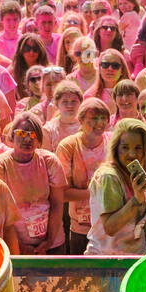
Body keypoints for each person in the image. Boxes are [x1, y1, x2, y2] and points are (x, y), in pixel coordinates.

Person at [86, 117, 146, 254]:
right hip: (107, 261)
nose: (132, 154)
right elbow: (110, 228)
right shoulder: (108, 177)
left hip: (133, 257)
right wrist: (136, 200)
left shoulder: (138, 174)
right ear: (116, 149)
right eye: (125, 148)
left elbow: (133, 225)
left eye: (138, 148)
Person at [0, 111, 66, 255]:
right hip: (16, 244)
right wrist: (19, 245)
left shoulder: (49, 161)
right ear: (12, 137)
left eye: (33, 135)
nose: (27, 139)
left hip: (53, 242)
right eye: (21, 133)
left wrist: (49, 241)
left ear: (39, 140)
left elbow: (57, 203)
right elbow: (0, 213)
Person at [55, 97, 112, 253]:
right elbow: (62, 193)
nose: (100, 123)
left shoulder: (113, 142)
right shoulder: (69, 146)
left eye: (103, 118)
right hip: (81, 226)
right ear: (80, 119)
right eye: (94, 118)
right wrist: (95, 192)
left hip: (110, 225)